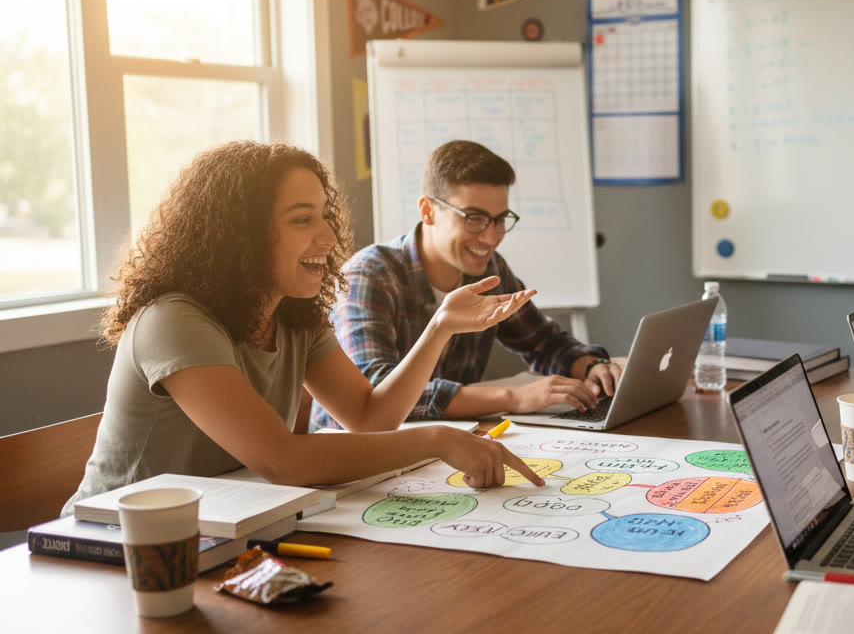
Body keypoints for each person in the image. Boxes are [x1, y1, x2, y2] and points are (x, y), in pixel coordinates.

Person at [65, 141, 544, 512]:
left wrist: (440, 326)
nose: (329, 236)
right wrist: (438, 439)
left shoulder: (293, 315)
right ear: (241, 234)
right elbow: (283, 461)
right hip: (110, 542)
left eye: (325, 216)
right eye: (302, 220)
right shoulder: (173, 320)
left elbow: (369, 418)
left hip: (220, 523)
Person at [310, 140, 620, 430]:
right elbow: (376, 390)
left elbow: (543, 342)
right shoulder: (369, 275)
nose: (490, 237)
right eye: (474, 218)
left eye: (500, 219)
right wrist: (515, 397)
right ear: (428, 211)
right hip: (353, 455)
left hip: (441, 445)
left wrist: (592, 367)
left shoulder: (490, 269)